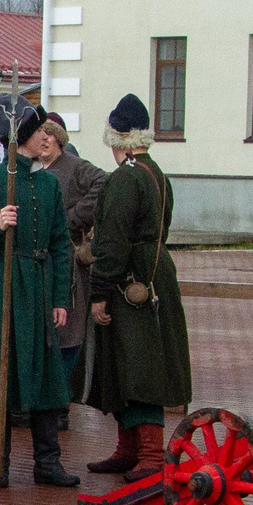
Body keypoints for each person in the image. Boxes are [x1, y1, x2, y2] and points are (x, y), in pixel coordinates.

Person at [0, 103, 76, 486]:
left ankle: (47, 463)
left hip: (40, 288)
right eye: (41, 131)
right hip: (3, 286)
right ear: (21, 138)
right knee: (2, 372)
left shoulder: (48, 185)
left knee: (45, 373)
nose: (48, 137)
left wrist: (60, 297)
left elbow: (62, 244)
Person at [81, 93, 191, 477]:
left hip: (130, 282)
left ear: (118, 136)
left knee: (140, 368)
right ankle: (127, 449)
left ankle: (150, 456)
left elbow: (111, 241)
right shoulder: (157, 174)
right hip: (155, 272)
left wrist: (98, 293)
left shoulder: (124, 179)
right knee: (125, 365)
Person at [37, 114, 106, 393]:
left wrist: (73, 217)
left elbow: (105, 184)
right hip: (37, 262)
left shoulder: (75, 167)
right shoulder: (29, 169)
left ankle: (60, 401)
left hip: (68, 266)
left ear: (59, 139)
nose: (43, 139)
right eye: (38, 134)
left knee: (67, 333)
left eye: (49, 134)